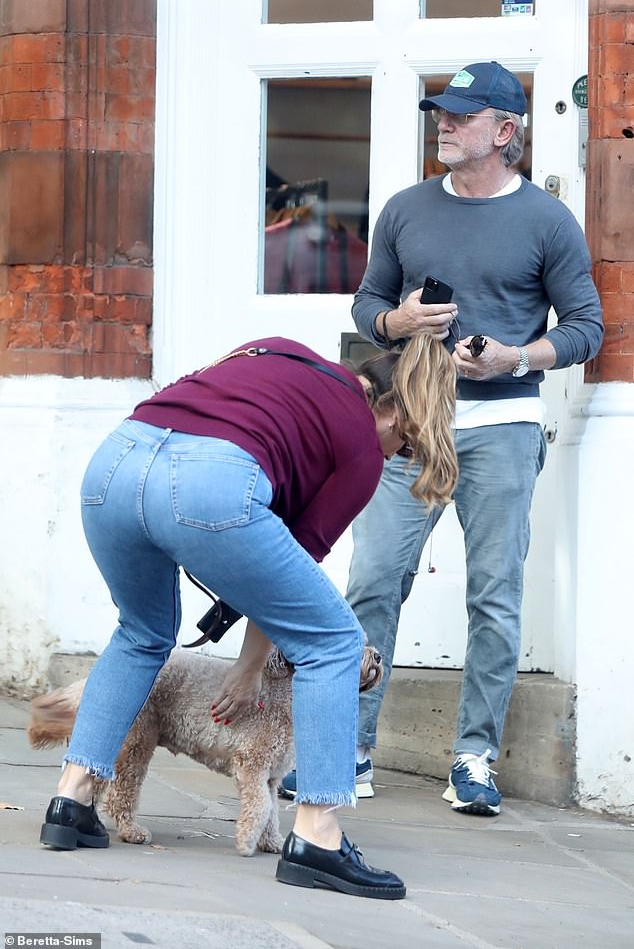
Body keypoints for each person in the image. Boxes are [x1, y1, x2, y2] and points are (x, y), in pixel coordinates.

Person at [282, 62, 604, 815]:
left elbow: (586, 329)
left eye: (461, 116)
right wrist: (398, 323)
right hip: (409, 429)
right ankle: (348, 751)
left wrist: (514, 357)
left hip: (503, 426)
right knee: (372, 584)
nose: (444, 125)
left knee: (494, 594)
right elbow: (367, 304)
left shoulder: (548, 222)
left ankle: (474, 757)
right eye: (441, 113)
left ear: (505, 131)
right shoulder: (405, 209)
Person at [38, 333, 458, 900]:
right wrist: (249, 667)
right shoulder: (360, 445)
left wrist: (249, 665)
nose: (396, 457)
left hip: (114, 463)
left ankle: (72, 799)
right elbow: (293, 574)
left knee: (141, 632)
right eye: (404, 445)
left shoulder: (277, 347)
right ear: (391, 412)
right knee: (335, 640)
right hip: (210, 481)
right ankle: (319, 836)